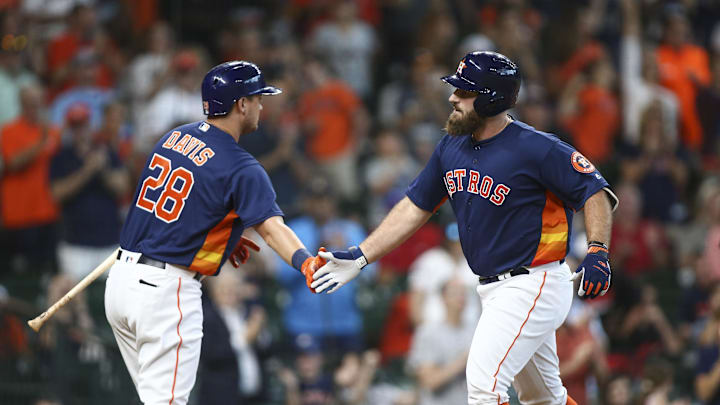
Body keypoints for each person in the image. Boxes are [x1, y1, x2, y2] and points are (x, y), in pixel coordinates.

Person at [311, 51, 618, 405]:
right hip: (495, 289)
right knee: (544, 398)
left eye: (464, 92)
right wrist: (362, 255)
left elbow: (595, 191)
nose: (453, 97)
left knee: (483, 388)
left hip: (533, 282)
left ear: (491, 99)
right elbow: (415, 207)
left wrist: (597, 250)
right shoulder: (451, 146)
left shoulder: (536, 148)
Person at [104, 61, 326, 405]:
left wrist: (223, 239)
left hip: (121, 282)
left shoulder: (174, 135)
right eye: (257, 97)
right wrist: (306, 262)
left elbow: (175, 210)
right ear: (241, 104)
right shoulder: (242, 165)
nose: (261, 105)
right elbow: (272, 230)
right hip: (166, 292)